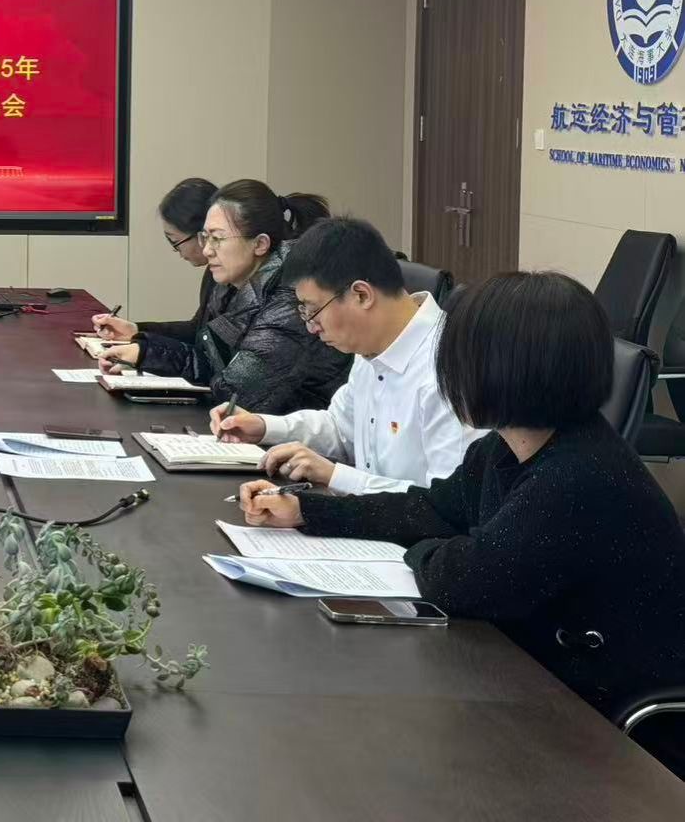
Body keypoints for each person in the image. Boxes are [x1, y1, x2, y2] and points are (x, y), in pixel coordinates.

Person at [237, 271, 685, 743]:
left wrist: (425, 549)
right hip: (537, 679)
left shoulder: (579, 476)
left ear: (506, 371)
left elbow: (463, 581)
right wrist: (307, 511)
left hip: (614, 729)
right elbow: (432, 509)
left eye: (458, 361)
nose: (449, 377)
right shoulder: (505, 447)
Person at [210, 216, 481, 492]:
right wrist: (264, 427)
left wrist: (335, 476)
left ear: (361, 295)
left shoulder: (449, 370)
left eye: (313, 310)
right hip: (365, 515)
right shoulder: (370, 347)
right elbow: (341, 428)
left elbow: (450, 501)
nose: (311, 327)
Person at [100, 180, 348, 415]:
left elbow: (236, 392)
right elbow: (211, 357)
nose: (207, 250)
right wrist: (145, 352)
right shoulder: (233, 283)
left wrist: (149, 354)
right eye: (205, 238)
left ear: (260, 244)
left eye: (217, 239)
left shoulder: (290, 297)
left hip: (298, 434)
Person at [92, 177, 218, 347]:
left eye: (174, 241)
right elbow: (198, 331)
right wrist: (136, 331)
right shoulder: (214, 272)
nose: (176, 251)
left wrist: (144, 351)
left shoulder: (238, 281)